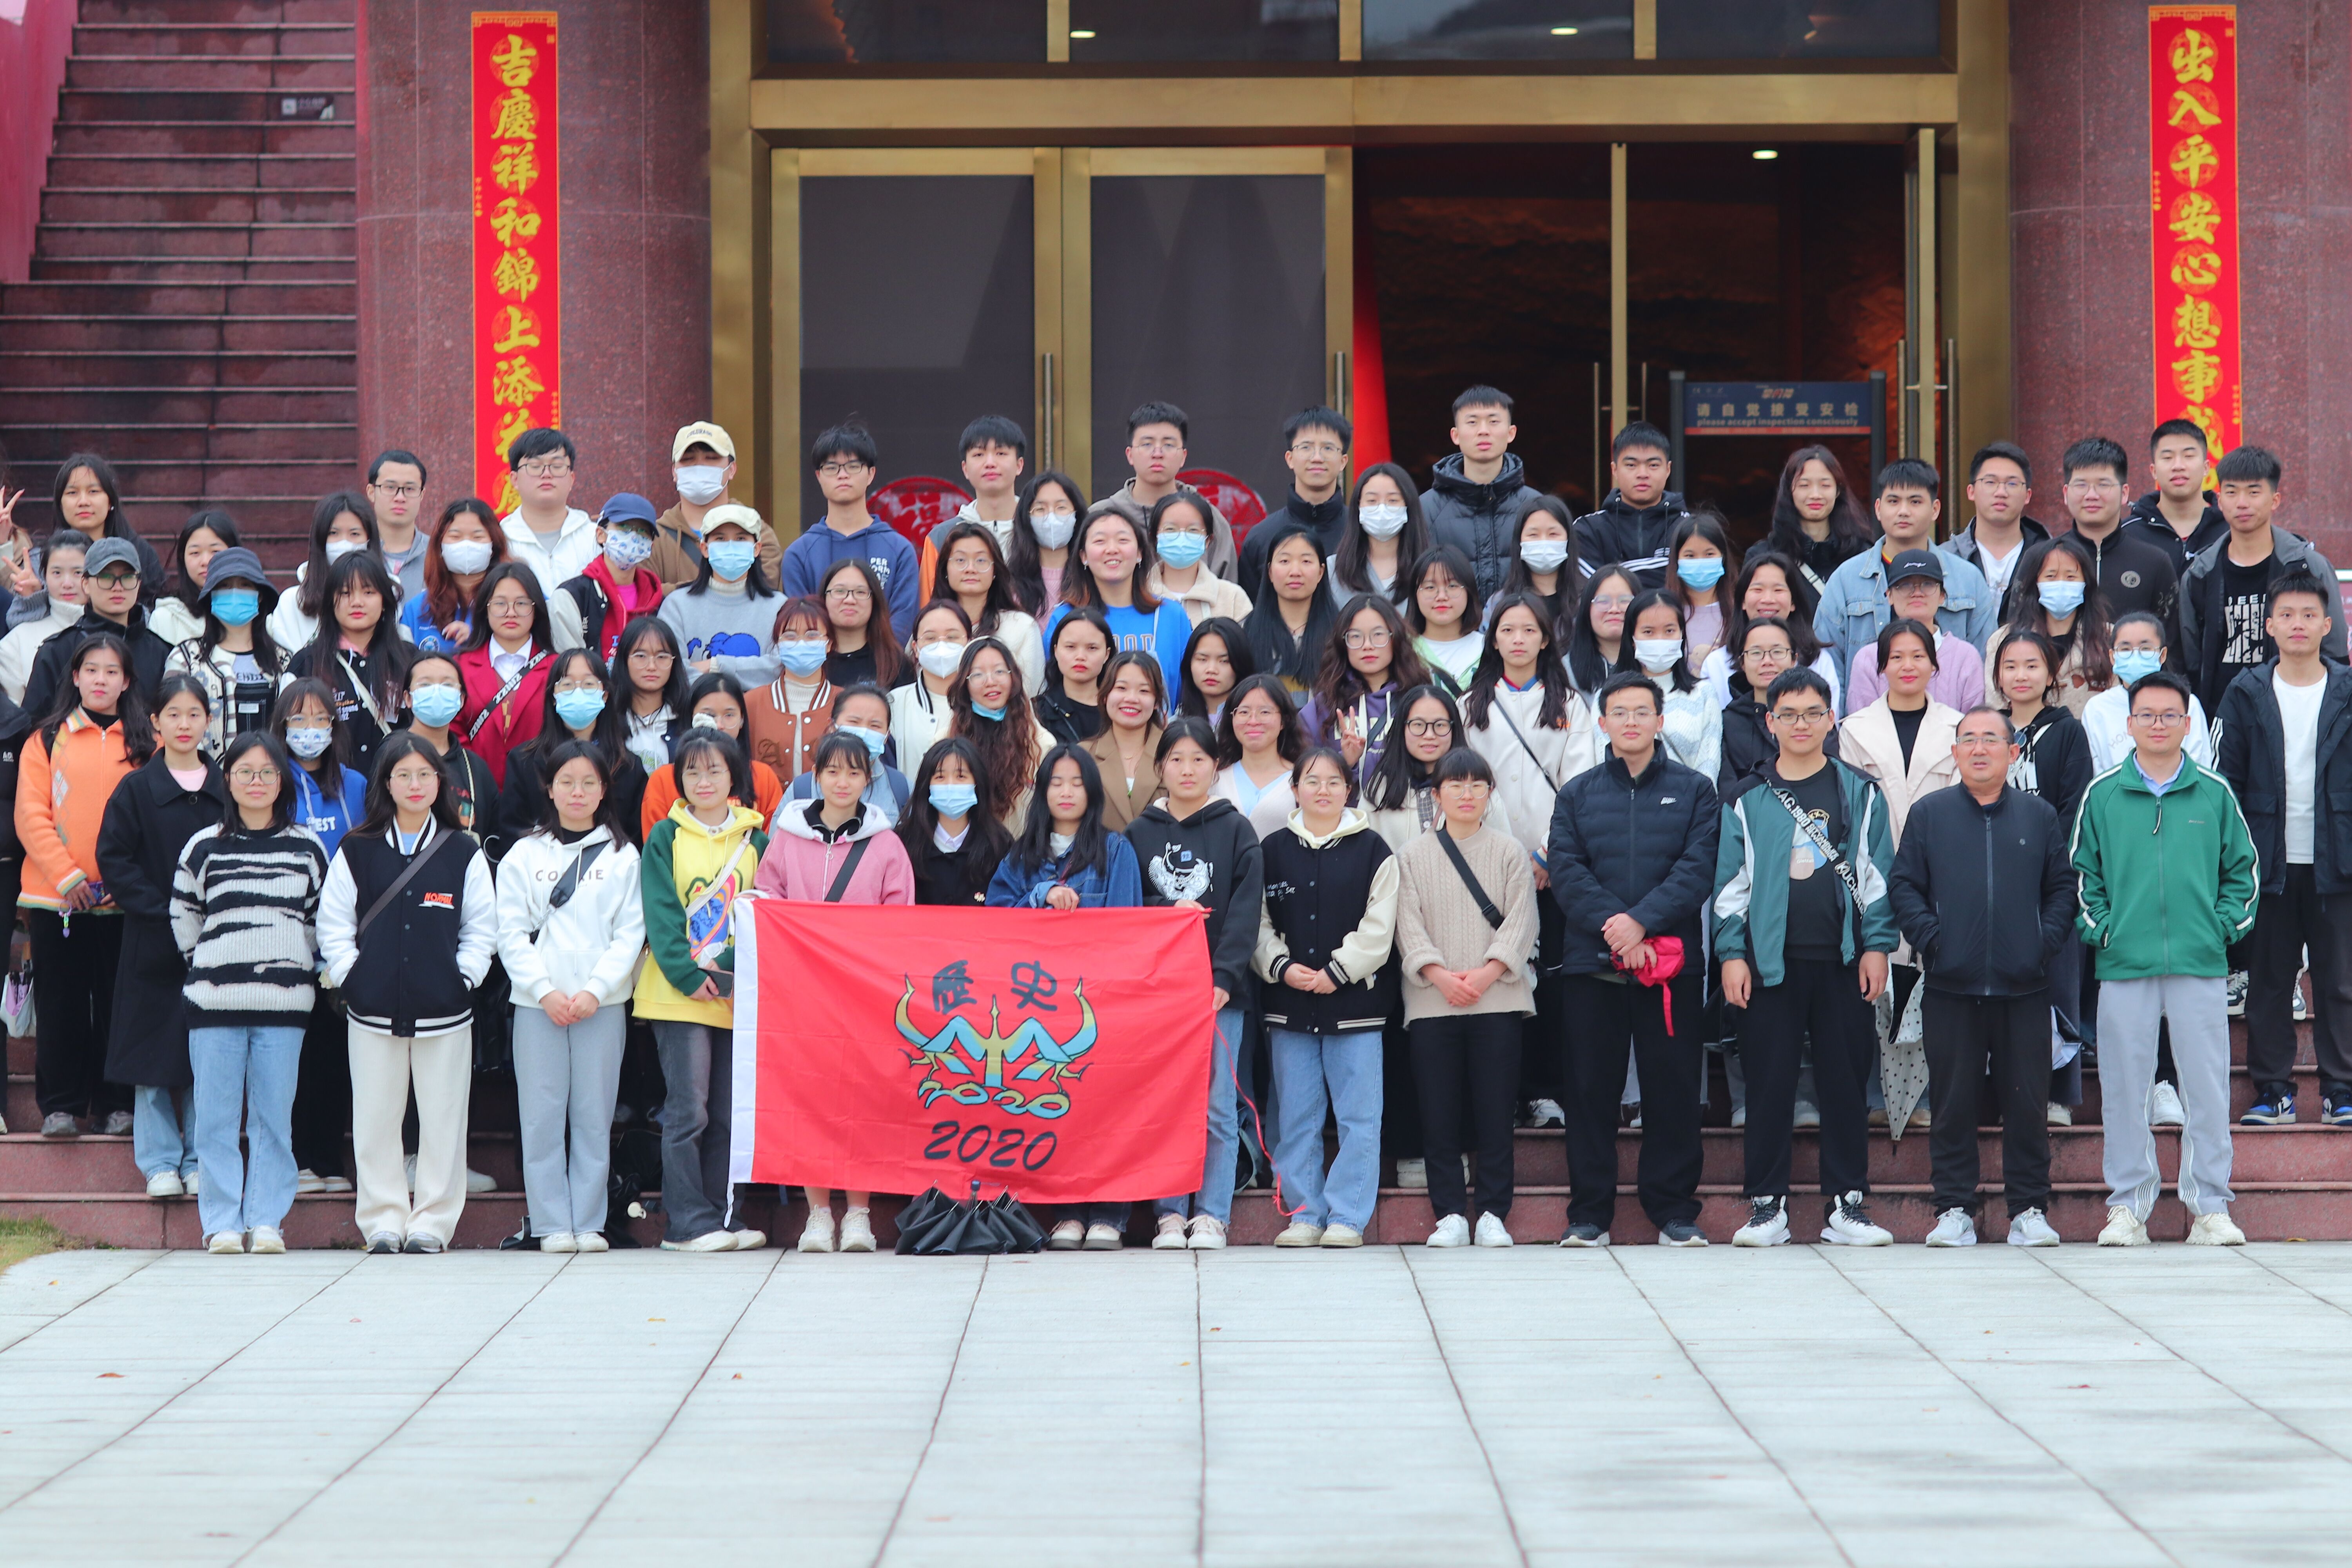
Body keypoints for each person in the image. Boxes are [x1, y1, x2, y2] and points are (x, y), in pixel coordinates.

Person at [2072, 671, 2258, 1247]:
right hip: (2124, 962)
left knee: (2207, 1089)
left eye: (2170, 715)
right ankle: (2129, 1208)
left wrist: (2220, 929)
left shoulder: (2214, 792)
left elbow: (2243, 873)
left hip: (2199, 962)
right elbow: (2082, 876)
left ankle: (2210, 1208)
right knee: (2125, 1089)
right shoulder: (2103, 794)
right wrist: (2105, 931)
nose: (2158, 724)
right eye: (2147, 715)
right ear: (2129, 724)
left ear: (2187, 723)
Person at [1715, 667, 1898, 1248]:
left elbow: (1877, 878)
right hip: (1768, 964)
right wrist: (1731, 954)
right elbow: (1730, 887)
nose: (1801, 724)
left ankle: (1847, 1205)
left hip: (1844, 961)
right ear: (1770, 722)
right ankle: (1767, 1207)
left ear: (1831, 719)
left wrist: (1877, 946)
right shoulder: (1747, 796)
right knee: (1769, 1085)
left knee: (1845, 1083)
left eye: (1813, 713)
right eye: (1788, 714)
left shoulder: (1859, 791)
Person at [1888, 706, 2073, 1248]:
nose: (1979, 748)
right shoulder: (1930, 814)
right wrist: (1935, 940)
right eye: (1968, 739)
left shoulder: (2039, 816)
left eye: (1991, 739)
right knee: (1952, 1104)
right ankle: (1953, 1210)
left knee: (2027, 1104)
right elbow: (1905, 887)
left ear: (2013, 753)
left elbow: (2062, 890)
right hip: (1951, 987)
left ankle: (2029, 1210)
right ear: (1955, 753)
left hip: (2024, 988)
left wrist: (2040, 943)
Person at [1546, 671, 1719, 1246]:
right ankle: (1589, 1215)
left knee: (1673, 1092)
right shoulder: (1577, 794)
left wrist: (1642, 922)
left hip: (1668, 966)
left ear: (1660, 721)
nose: (1631, 722)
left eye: (1642, 712)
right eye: (1619, 712)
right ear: (1602, 723)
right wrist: (1620, 931)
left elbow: (1697, 868)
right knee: (1590, 1092)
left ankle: (1674, 1211)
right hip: (1593, 966)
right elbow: (1567, 871)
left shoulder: (1695, 791)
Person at [317, 733, 499, 1254]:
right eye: (403, 775)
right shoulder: (358, 849)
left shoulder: (462, 850)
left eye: (425, 774)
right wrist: (354, 979)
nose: (415, 785)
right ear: (386, 783)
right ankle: (383, 1220)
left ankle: (432, 1224)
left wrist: (463, 979)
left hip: (446, 1012)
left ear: (440, 782)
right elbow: (333, 926)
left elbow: (481, 929)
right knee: (375, 1119)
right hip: (372, 1011)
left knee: (444, 1120)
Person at [756, 728, 915, 1253]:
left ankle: (860, 1214)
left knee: (859, 1099)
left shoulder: (886, 844)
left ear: (869, 779)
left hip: (862, 996)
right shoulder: (788, 837)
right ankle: (819, 1214)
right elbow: (768, 898)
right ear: (815, 776)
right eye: (832, 771)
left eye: (853, 772)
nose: (842, 781)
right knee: (808, 1100)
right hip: (800, 994)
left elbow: (900, 921)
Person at [170, 730, 329, 1254]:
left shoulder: (307, 847)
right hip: (215, 1002)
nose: (256, 782)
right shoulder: (204, 845)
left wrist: (291, 964)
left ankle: (265, 1221)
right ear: (228, 779)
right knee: (215, 1120)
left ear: (282, 781)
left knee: (273, 1120)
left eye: (267, 772)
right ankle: (221, 1223)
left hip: (285, 1005)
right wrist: (213, 965)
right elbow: (185, 918)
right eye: (245, 772)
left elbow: (319, 922)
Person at [986, 745, 1143, 1247]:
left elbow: (1127, 929)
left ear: (1092, 792)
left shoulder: (1115, 851)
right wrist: (1039, 896)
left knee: (1107, 1107)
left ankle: (1110, 1214)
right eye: (1057, 782)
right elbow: (992, 920)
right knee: (1057, 1107)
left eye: (1077, 783)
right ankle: (1069, 1211)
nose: (1067, 792)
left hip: (1099, 1003)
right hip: (1037, 1010)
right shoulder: (1021, 856)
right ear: (1043, 792)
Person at [494, 740, 644, 1252]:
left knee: (594, 1115)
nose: (577, 793)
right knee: (541, 1116)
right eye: (567, 783)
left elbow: (630, 934)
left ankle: (589, 1221)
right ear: (550, 789)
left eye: (588, 783)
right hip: (538, 1005)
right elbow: (510, 933)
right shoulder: (524, 855)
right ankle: (551, 1222)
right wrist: (544, 991)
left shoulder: (624, 856)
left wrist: (596, 991)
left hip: (601, 1005)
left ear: (604, 791)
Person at [2215, 570, 2352, 1129]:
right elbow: (2226, 780)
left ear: (2327, 624)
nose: (2298, 624)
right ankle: (2274, 1092)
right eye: (2287, 615)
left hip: (2337, 862)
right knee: (2269, 984)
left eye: (2309, 615)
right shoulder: (2245, 692)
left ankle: (2342, 1091)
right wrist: (2232, 860)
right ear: (2269, 625)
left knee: (2340, 982)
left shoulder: (2347, 690)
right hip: (2265, 861)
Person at [1395, 747, 1537, 1248]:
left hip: (1497, 1000)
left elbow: (1523, 920)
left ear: (1490, 793)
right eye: (1455, 785)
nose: (1467, 794)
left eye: (1477, 785)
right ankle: (1450, 1214)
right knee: (1438, 1113)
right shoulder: (1411, 856)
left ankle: (1494, 1213)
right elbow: (1406, 924)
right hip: (1433, 1003)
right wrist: (1439, 975)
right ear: (1437, 795)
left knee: (1496, 1112)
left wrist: (1486, 973)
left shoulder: (1509, 851)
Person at [1128, 718, 1261, 1251]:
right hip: (1158, 994)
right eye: (1176, 760)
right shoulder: (1139, 834)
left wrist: (1225, 977)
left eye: (1199, 760)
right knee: (1166, 1104)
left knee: (1218, 1106)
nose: (1187, 770)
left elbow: (1246, 914)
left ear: (1216, 767)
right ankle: (1169, 1213)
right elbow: (1128, 905)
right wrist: (1167, 907)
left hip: (1218, 994)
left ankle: (1211, 1214)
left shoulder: (1237, 831)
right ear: (1161, 767)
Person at [1258, 746, 1399, 1247]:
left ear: (1348, 789)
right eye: (1312, 781)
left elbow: (1380, 927)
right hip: (1290, 1003)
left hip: (1355, 1005)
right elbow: (1257, 922)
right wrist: (1281, 966)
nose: (1323, 790)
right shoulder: (1271, 850)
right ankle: (1304, 1213)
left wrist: (1338, 971)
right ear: (1294, 789)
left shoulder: (1375, 850)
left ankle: (1347, 1217)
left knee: (1359, 1117)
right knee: (1297, 1117)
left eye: (1334, 781)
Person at [635, 728, 768, 1252]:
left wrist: (727, 969)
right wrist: (691, 976)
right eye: (692, 771)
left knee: (728, 1114)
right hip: (677, 994)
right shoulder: (665, 837)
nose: (703, 780)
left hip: (736, 992)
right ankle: (686, 1224)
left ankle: (723, 1216)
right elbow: (660, 912)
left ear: (735, 776)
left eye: (714, 770)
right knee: (689, 1110)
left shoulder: (757, 841)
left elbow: (764, 912)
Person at [96, 673, 224, 1195]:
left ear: (209, 721)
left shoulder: (226, 787)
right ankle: (160, 1163)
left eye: (194, 714)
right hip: (152, 940)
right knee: (151, 1055)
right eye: (173, 714)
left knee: (205, 1056)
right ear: (155, 722)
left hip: (215, 943)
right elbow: (115, 858)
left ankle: (199, 1160)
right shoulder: (136, 789)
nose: (184, 724)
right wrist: (165, 911)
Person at [19, 633, 144, 1138]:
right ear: (75, 676)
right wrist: (68, 876)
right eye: (91, 670)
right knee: (62, 1004)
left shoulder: (146, 742)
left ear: (127, 681)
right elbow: (31, 815)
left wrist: (125, 879)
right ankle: (61, 1106)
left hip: (121, 900)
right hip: (56, 899)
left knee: (118, 1005)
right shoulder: (46, 738)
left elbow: (149, 821)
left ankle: (117, 1104)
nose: (100, 680)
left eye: (112, 671)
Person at [1991, 627, 2096, 1125]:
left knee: (2057, 988)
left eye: (2032, 665)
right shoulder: (1988, 729)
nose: (2021, 675)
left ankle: (2056, 1095)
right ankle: (2006, 1094)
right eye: (2010, 666)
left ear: (2051, 673)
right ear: (1997, 676)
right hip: (1994, 879)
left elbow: (2076, 805)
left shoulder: (2068, 731)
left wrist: (2050, 866)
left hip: (2053, 881)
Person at [269, 679, 366, 1192]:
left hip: (344, 936)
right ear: (282, 726)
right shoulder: (271, 779)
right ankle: (297, 1159)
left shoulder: (356, 784)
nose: (310, 730)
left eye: (320, 720)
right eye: (299, 720)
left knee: (334, 1052)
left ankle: (329, 1160)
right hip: (286, 934)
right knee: (295, 1052)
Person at [2178, 444, 2347, 706]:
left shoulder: (2310, 567)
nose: (2242, 503)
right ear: (2220, 501)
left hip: (2295, 710)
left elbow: (2335, 653)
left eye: (2254, 492)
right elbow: (2190, 660)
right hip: (2222, 713)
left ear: (2275, 500)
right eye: (2232, 492)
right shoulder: (2200, 573)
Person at [1812, 459, 1996, 688]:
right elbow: (1827, 669)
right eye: (1894, 501)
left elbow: (1986, 667)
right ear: (1878, 509)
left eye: (1915, 501)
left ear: (1935, 510)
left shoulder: (1967, 579)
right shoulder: (1846, 580)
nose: (1904, 511)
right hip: (1867, 708)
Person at [779, 422, 920, 639]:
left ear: (871, 474)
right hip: (820, 661)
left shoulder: (900, 550)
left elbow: (903, 624)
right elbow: (802, 627)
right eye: (832, 468)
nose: (843, 475)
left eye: (853, 466)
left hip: (885, 661)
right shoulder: (799, 554)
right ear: (819, 476)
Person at [497, 648, 647, 849]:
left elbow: (635, 839)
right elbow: (511, 833)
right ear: (553, 696)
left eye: (589, 684)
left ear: (605, 695)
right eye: (567, 685)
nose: (578, 692)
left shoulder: (628, 766)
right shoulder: (524, 761)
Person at [1837, 621, 1961, 849]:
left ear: (1933, 664)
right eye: (1896, 657)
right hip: (1874, 858)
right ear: (1883, 666)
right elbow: (1854, 807)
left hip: (1941, 853)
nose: (1908, 666)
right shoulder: (1855, 731)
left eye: (1918, 656)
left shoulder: (1958, 728)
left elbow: (1959, 806)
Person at [283, 551, 411, 772]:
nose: (357, 602)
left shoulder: (409, 660)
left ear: (384, 601)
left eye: (369, 592)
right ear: (330, 602)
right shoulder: (305, 664)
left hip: (397, 787)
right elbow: (283, 733)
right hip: (330, 788)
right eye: (345, 593)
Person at [1085, 401, 1238, 584]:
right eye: (1147, 444)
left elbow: (1227, 588)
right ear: (1130, 455)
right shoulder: (1100, 515)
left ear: (1183, 457)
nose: (1158, 453)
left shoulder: (1209, 518)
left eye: (1169, 445)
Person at [3, 452, 163, 624]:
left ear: (110, 501)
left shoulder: (140, 553)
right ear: (60, 504)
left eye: (94, 491)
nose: (83, 502)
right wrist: (35, 597)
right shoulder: (38, 561)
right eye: (72, 493)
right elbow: (18, 624)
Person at [1047, 510, 1191, 699]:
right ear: (1084, 556)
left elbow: (1188, 691)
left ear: (1140, 553)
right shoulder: (1064, 617)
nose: (1112, 549)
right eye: (1100, 541)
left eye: (1123, 540)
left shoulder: (1171, 615)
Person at [23, 537, 170, 717]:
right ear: (86, 584)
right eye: (106, 577)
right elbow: (35, 725)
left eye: (128, 577)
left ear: (139, 584)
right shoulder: (57, 651)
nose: (118, 587)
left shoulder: (161, 652)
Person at [2053, 436, 2182, 641]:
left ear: (2124, 493)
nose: (2092, 495)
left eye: (2103, 485)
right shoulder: (2043, 559)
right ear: (2066, 493)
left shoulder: (2155, 562)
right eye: (2081, 485)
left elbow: (2173, 646)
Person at [1421, 387, 1543, 601]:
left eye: (1494, 421)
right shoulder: (1426, 508)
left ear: (1511, 433)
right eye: (1472, 422)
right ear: (1456, 435)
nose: (1483, 431)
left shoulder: (1535, 506)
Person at [1298, 594, 1433, 784]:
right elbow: (1303, 776)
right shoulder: (1322, 707)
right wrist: (1346, 763)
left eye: (1378, 635)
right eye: (1356, 637)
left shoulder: (1422, 700)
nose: (1368, 646)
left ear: (1395, 638)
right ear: (1342, 643)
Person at [162, 546, 285, 753]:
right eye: (225, 586)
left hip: (270, 772)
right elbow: (170, 718)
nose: (235, 593)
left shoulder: (284, 660)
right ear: (211, 596)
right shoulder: (185, 658)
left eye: (245, 585)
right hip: (205, 772)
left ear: (260, 596)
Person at [1364, 684, 1513, 853]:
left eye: (1440, 725)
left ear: (1454, 728)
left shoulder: (1476, 785)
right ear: (1402, 728)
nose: (1429, 735)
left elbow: (1504, 852)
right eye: (1418, 725)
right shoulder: (1381, 788)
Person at [1979, 535, 2114, 717]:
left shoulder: (2110, 637)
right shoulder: (2003, 639)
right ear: (2036, 583)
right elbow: (1996, 704)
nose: (2061, 584)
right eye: (2051, 576)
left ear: (2085, 584)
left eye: (2071, 577)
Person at [1842, 550, 1988, 715]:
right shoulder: (1868, 659)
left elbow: (1975, 724)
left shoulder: (1965, 656)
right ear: (1889, 596)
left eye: (1928, 584)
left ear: (1942, 596)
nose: (1917, 593)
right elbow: (1861, 723)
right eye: (1905, 585)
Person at [658, 501, 787, 686]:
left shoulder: (779, 607)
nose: (731, 546)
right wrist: (750, 671)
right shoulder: (677, 606)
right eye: (720, 539)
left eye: (741, 539)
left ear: (757, 549)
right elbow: (672, 672)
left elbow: (780, 668)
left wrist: (715, 665)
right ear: (705, 549)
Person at [640, 673, 787, 835]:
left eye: (729, 715)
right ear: (691, 717)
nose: (719, 725)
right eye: (709, 715)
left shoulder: (763, 777)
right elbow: (658, 843)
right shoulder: (663, 780)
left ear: (742, 720)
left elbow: (773, 842)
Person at [450, 561, 553, 790]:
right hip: (476, 791)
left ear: (536, 609)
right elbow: (452, 729)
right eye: (500, 604)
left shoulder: (557, 668)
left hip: (540, 793)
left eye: (522, 603)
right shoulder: (459, 667)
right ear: (485, 609)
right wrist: (475, 777)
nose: (511, 613)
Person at [1699, 551, 1843, 712]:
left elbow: (1828, 722)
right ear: (1743, 601)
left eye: (1778, 590)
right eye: (1758, 590)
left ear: (1793, 602)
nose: (1768, 600)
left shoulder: (1818, 661)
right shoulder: (1717, 664)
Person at [1717, 616, 1843, 795]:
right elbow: (1728, 793)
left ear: (1794, 660)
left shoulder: (1815, 715)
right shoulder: (1727, 723)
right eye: (1756, 653)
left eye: (1777, 652)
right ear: (1742, 662)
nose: (1767, 661)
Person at [650, 422, 784, 589]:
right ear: (674, 472)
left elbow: (762, 590)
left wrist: (676, 591)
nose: (699, 467)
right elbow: (646, 594)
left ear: (732, 469)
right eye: (688, 460)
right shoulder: (653, 538)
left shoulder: (759, 533)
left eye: (711, 459)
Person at [1237, 406, 1352, 601]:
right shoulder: (1261, 538)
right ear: (1290, 459)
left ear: (1343, 461)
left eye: (1328, 448)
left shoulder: (1361, 532)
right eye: (1306, 447)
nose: (1317, 458)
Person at [2083, 612, 2212, 773]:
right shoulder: (2097, 709)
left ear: (2162, 655)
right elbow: (2094, 770)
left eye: (2146, 649)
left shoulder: (2187, 703)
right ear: (2112, 656)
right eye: (2125, 649)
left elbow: (2200, 764)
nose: (2135, 655)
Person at [947, 636, 1051, 828]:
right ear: (965, 684)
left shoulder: (1041, 743)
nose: (990, 682)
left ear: (1014, 677)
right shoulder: (946, 741)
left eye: (1000, 672)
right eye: (978, 675)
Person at [931, 518, 1044, 693]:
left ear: (995, 571)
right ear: (945, 569)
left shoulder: (1022, 627)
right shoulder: (929, 627)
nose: (971, 569)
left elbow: (1031, 694)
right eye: (960, 560)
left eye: (981, 561)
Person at [550, 493, 665, 663]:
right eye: (624, 528)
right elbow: (573, 668)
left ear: (651, 545)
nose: (633, 537)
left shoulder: (660, 601)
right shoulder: (572, 597)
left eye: (643, 531)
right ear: (600, 534)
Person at [897, 736, 1012, 907]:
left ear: (977, 783)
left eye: (961, 776)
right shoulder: (903, 841)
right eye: (940, 777)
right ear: (926, 784)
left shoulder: (999, 843)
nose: (950, 785)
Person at [1571, 421, 1687, 590]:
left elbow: (1692, 585)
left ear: (1668, 470)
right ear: (1615, 470)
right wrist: (1665, 569)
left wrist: (1615, 575)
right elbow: (1591, 591)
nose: (1643, 474)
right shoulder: (1588, 529)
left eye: (1653, 465)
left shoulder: (1688, 527)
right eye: (1631, 465)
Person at [403, 651, 501, 848]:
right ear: (408, 698)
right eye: (425, 685)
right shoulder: (391, 757)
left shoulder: (476, 768)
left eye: (447, 685)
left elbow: (493, 836)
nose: (437, 692)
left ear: (462, 699)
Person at [264, 491, 382, 654]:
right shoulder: (292, 602)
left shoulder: (388, 594)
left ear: (369, 541)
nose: (344, 543)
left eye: (355, 534)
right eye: (334, 533)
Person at [779, 681, 911, 826]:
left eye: (875, 725)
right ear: (832, 727)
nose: (864, 731)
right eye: (854, 722)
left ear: (887, 736)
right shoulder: (801, 789)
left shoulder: (902, 789)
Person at [918, 414, 1027, 590]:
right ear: (965, 469)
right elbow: (929, 603)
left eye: (1001, 453)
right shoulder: (941, 537)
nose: (990, 463)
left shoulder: (1038, 530)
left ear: (1019, 465)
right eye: (979, 454)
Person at [741, 595, 840, 784]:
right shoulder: (752, 703)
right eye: (790, 636)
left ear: (829, 644)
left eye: (812, 635)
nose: (801, 643)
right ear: (778, 645)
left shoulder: (845, 703)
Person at [1625, 590, 1720, 783]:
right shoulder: (1611, 696)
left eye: (1669, 631)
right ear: (1632, 639)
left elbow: (1709, 764)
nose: (1660, 640)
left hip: (1691, 799)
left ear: (1682, 635)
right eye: (1648, 632)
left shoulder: (1704, 694)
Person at [1764, 443, 1875, 606]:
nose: (1815, 495)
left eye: (1825, 485)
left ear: (1838, 491)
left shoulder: (1863, 556)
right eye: (1804, 485)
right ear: (1789, 491)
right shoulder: (1765, 555)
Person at [397, 499, 507, 657]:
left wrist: (479, 637)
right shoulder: (416, 610)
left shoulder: (518, 599)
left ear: (494, 545)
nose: (467, 545)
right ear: (440, 545)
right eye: (456, 537)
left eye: (477, 537)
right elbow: (403, 665)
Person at [497, 428, 599, 597]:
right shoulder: (500, 540)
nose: (547, 474)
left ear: (572, 479)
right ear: (515, 480)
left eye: (557, 466)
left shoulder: (596, 539)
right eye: (535, 466)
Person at [2122, 418, 2227, 576]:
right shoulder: (2128, 534)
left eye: (2189, 456)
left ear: (2206, 468)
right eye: (2168, 458)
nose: (2178, 466)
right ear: (2154, 471)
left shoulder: (2230, 529)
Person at [1945, 443, 2047, 606]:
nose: (2001, 493)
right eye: (1990, 482)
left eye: (2012, 484)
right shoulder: (1946, 558)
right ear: (1971, 492)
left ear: (2028, 496)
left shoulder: (2048, 557)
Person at [1214, 674, 1310, 842]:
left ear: (1284, 720)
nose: (1253, 721)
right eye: (1244, 712)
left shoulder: (1303, 778)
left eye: (1265, 712)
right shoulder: (1214, 778)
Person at [1243, 524, 1333, 697]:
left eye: (1306, 562)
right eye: (1285, 561)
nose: (1295, 572)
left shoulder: (1339, 632)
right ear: (1270, 572)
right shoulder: (1246, 631)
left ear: (1321, 572)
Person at [1084, 650, 1167, 832]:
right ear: (1105, 696)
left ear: (1156, 702)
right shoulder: (1083, 755)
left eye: (1144, 691)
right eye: (1121, 688)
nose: (1131, 699)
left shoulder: (1174, 753)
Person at [1327, 462, 1428, 607]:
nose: (1382, 509)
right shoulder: (1334, 569)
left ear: (1409, 506)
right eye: (1372, 501)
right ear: (1358, 506)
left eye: (1393, 500)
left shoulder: (1429, 569)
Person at [0, 529, 83, 704]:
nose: (67, 584)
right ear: (44, 576)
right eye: (57, 573)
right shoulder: (18, 639)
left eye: (78, 573)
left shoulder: (114, 628)